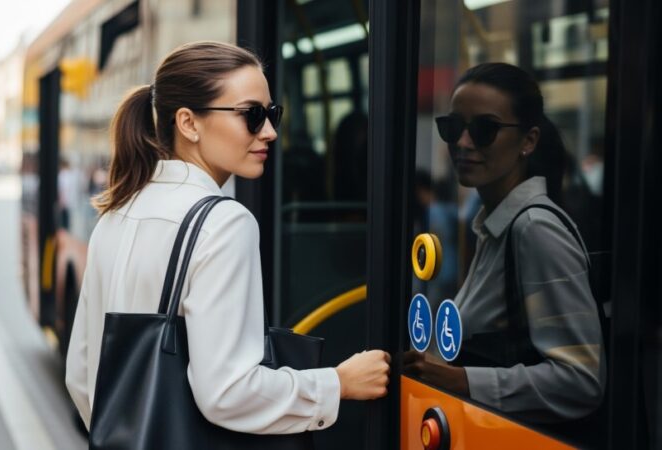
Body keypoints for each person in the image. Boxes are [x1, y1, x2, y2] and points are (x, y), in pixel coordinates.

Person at [65, 41, 391, 435]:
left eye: (272, 113)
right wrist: (338, 383)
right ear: (188, 123)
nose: (269, 131)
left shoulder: (117, 211)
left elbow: (82, 376)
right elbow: (228, 391)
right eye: (252, 115)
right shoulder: (224, 223)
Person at [403, 63, 605, 424]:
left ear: (528, 141)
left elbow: (581, 381)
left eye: (485, 129)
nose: (463, 143)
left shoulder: (534, 229)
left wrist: (461, 380)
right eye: (453, 128)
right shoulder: (496, 226)